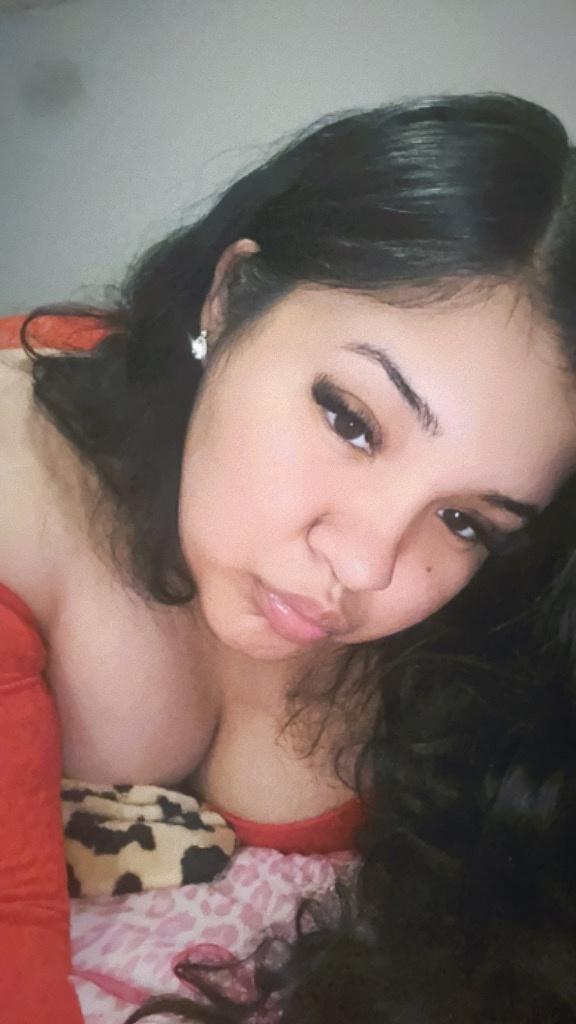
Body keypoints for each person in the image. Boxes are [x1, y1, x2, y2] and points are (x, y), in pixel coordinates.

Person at [3, 91, 576, 1023]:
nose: (368, 565)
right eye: (350, 420)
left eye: (465, 520)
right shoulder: (22, 483)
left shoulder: (510, 606)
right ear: (229, 297)